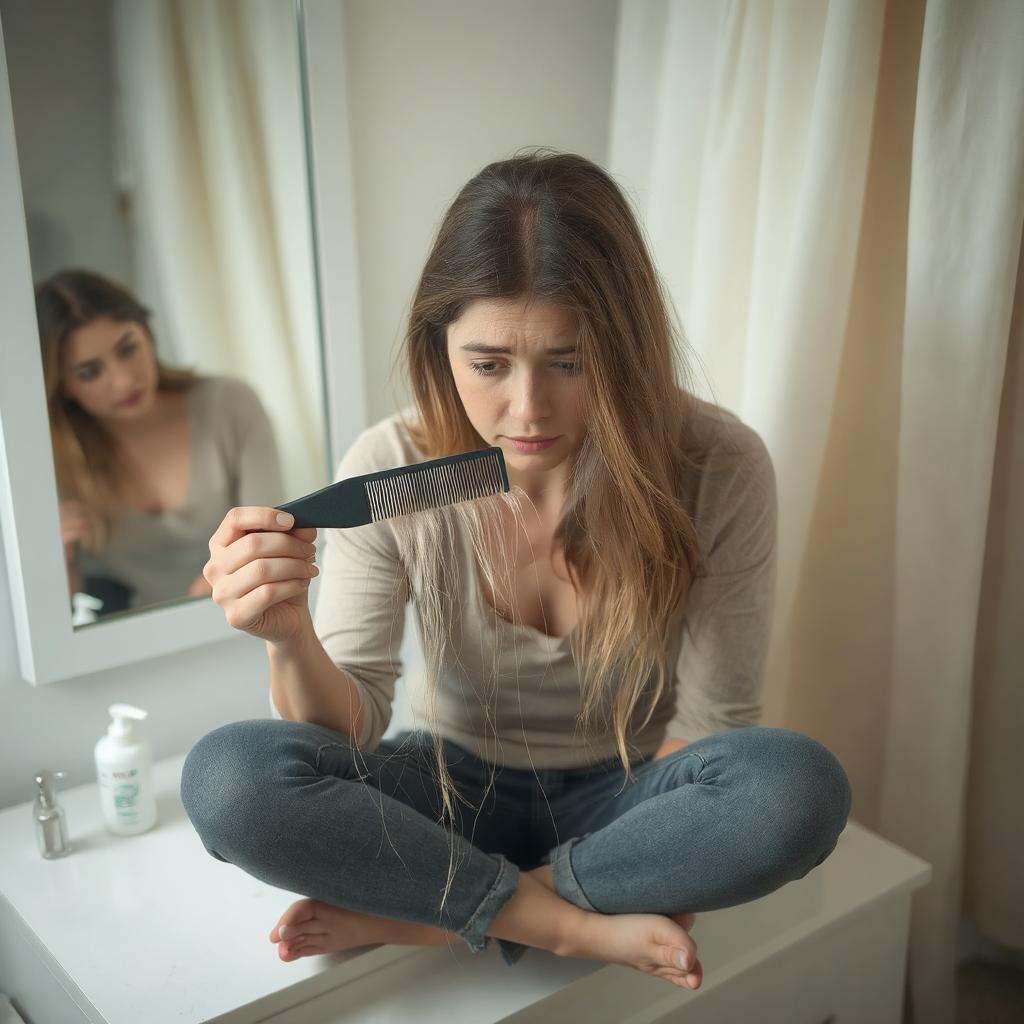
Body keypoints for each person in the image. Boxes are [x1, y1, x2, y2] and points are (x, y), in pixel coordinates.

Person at [181, 150, 852, 991]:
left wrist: (646, 849)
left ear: (628, 349)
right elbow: (347, 730)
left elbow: (714, 726)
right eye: (489, 364)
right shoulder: (390, 464)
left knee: (796, 789)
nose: (528, 409)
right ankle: (553, 918)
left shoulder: (717, 465)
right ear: (440, 347)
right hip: (447, 790)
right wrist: (288, 639)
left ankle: (434, 915)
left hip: (629, 799)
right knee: (229, 778)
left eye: (569, 362)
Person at [36, 269, 284, 610]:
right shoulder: (57, 460)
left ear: (146, 333)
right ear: (62, 384)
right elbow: (59, 609)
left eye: (127, 349)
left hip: (251, 614)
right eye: (90, 372)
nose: (124, 380)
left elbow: (270, 536)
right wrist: (56, 558)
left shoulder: (229, 405)